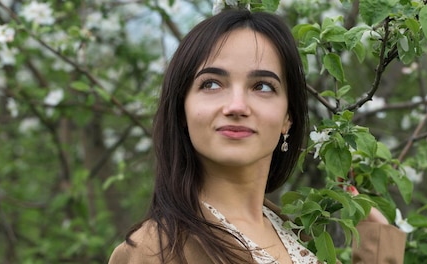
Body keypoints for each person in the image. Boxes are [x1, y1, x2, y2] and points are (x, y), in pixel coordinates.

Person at [108, 9, 406, 264]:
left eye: (262, 86)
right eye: (211, 84)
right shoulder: (153, 251)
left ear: (288, 118)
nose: (236, 106)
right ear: (182, 109)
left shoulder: (296, 235)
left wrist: (376, 246)